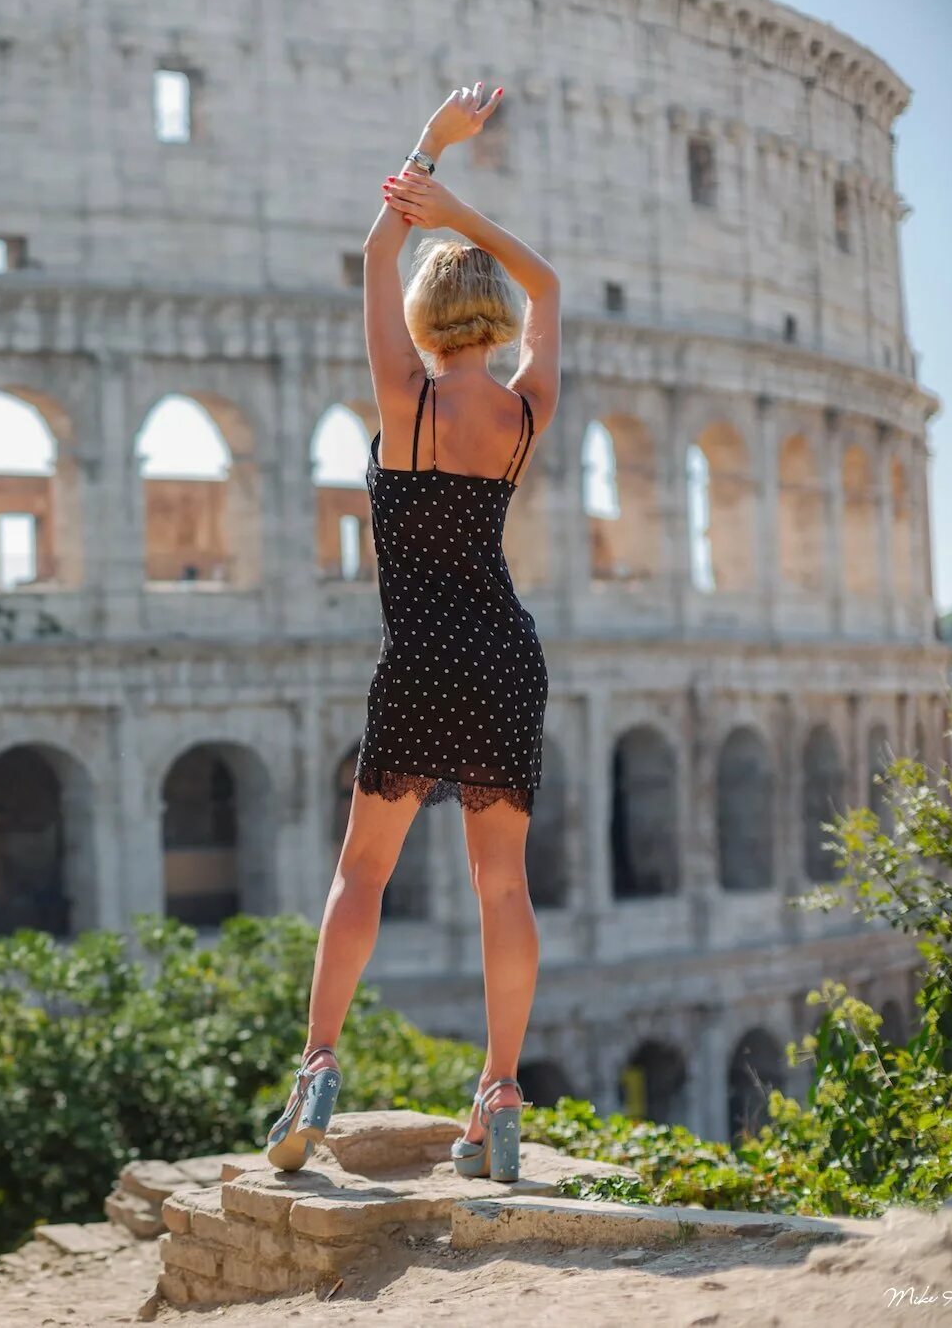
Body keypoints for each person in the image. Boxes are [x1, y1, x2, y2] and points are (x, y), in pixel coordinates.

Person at [265, 83, 561, 1184]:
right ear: (495, 321)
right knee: (502, 887)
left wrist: (428, 159)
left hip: (422, 654)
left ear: (427, 321)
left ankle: (315, 1069)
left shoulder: (405, 401)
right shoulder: (524, 413)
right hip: (505, 653)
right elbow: (548, 283)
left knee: (361, 875)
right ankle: (495, 1096)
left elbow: (372, 248)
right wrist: (472, 226)